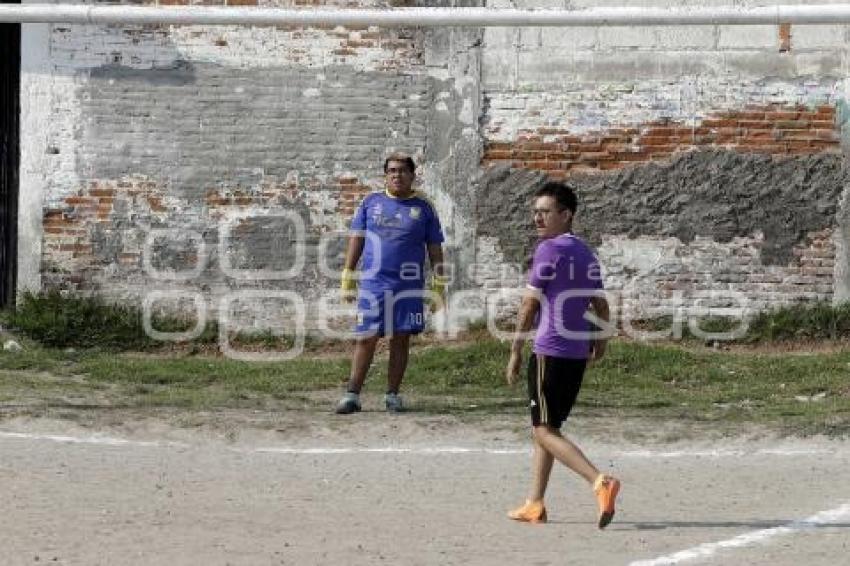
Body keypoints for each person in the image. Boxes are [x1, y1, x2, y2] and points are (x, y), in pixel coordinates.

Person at [505, 181, 621, 529]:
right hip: (575, 353)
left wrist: (514, 349)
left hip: (549, 351)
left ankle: (599, 481)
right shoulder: (585, 252)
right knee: (549, 426)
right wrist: (601, 340)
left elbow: (528, 304)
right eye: (535, 212)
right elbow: (600, 303)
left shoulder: (549, 249)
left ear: (566, 215)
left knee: (542, 430)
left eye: (545, 212)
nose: (538, 218)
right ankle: (535, 503)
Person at [335, 153, 447, 414]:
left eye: (402, 171)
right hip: (374, 284)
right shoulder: (370, 203)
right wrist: (348, 274)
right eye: (392, 171)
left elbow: (434, 247)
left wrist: (439, 282)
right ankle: (352, 394)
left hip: (408, 285)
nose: (397, 175)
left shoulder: (424, 208)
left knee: (401, 339)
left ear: (412, 175)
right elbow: (357, 238)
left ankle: (392, 395)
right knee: (366, 337)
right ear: (386, 175)